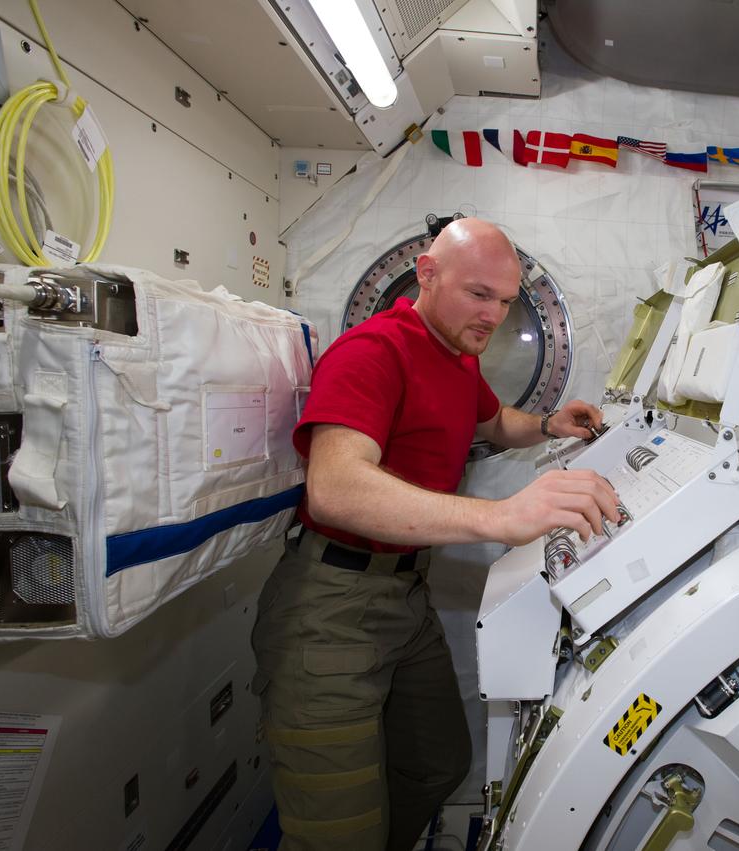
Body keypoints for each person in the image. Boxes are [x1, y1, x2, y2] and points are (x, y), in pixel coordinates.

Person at [250, 217, 619, 851]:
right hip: (331, 605)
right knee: (335, 837)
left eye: (505, 302)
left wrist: (549, 424)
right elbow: (334, 490)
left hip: (405, 597)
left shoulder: (455, 356)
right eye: (480, 295)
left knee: (437, 766)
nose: (495, 316)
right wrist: (501, 517)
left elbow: (496, 420)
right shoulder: (374, 351)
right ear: (427, 274)